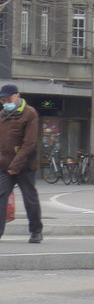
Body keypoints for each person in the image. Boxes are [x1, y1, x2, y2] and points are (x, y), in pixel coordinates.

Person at [0, 84, 44, 244]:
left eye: (8, 98)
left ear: (17, 96)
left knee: (30, 199)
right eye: (3, 99)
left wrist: (15, 166)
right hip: (4, 165)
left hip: (25, 165)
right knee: (1, 197)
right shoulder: (3, 115)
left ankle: (36, 231)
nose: (5, 102)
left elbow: (29, 143)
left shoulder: (29, 113)